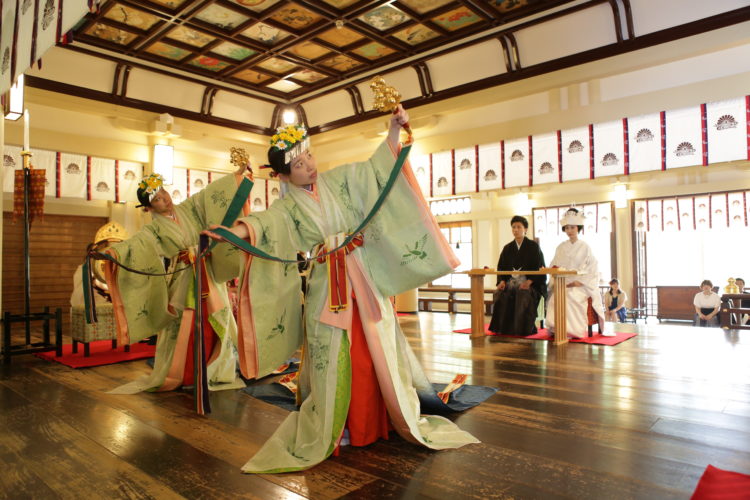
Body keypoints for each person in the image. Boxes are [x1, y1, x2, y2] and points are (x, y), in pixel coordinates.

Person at [204, 105, 479, 474]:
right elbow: (264, 223)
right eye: (299, 165)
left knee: (374, 349)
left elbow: (375, 170)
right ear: (284, 174)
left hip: (362, 276)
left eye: (309, 157)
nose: (310, 166)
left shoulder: (339, 181)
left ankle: (382, 420)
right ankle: (338, 425)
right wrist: (232, 232)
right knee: (332, 353)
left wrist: (393, 131)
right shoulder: (288, 208)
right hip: (326, 282)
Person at [103, 161, 253, 396]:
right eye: (157, 199)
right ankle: (181, 371)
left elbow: (209, 195)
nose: (164, 198)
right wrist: (113, 252)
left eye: (162, 192)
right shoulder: (152, 230)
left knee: (220, 318)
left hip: (208, 273)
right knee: (183, 324)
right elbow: (135, 244)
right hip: (184, 276)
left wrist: (236, 176)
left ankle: (218, 370)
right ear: (149, 208)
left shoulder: (189, 208)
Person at [544, 208, 613, 337]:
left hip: (579, 285)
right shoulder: (560, 247)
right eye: (567, 228)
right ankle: (556, 328)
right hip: (563, 283)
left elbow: (593, 269)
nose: (569, 231)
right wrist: (555, 274)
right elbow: (553, 266)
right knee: (555, 298)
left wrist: (579, 282)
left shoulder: (585, 247)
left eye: (572, 228)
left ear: (578, 228)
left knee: (570, 298)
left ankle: (570, 331)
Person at [488, 215, 546, 336]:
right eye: (513, 227)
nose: (516, 230)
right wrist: (502, 282)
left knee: (522, 294)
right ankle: (503, 328)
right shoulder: (507, 248)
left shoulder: (533, 247)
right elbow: (501, 268)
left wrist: (529, 282)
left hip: (529, 283)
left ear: (525, 229)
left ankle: (523, 329)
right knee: (499, 294)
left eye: (519, 227)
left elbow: (540, 268)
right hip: (511, 282)